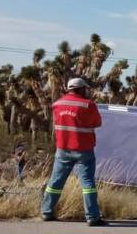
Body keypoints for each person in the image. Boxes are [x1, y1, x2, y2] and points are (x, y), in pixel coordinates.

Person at [41, 77, 107, 226]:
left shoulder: (57, 104)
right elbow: (97, 122)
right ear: (82, 89)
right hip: (83, 149)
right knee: (87, 184)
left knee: (55, 182)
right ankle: (92, 217)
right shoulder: (88, 105)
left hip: (63, 149)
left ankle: (46, 211)